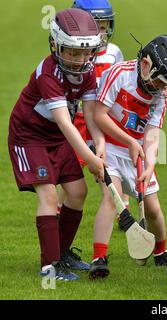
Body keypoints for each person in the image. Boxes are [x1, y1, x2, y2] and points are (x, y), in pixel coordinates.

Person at [7, 8, 108, 280]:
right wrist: (90, 156)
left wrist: (99, 143)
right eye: (72, 52)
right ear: (55, 45)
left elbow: (90, 115)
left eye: (86, 53)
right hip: (29, 138)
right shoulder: (48, 74)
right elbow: (65, 121)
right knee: (49, 196)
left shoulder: (86, 72)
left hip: (55, 137)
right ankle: (49, 267)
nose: (80, 60)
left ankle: (62, 254)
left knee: (77, 192)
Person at [88, 34, 167, 279]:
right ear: (146, 65)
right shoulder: (119, 74)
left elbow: (153, 133)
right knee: (110, 199)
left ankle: (160, 250)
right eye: (160, 82)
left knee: (154, 208)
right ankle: (99, 257)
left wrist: (150, 165)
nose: (162, 88)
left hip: (138, 152)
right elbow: (99, 115)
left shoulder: (160, 96)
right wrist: (128, 142)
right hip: (111, 149)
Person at [57, 0, 129, 214]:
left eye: (104, 26)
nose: (102, 32)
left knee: (111, 162)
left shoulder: (114, 52)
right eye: (96, 27)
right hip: (80, 117)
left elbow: (120, 82)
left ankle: (122, 206)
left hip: (105, 118)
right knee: (71, 167)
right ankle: (60, 206)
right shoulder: (70, 53)